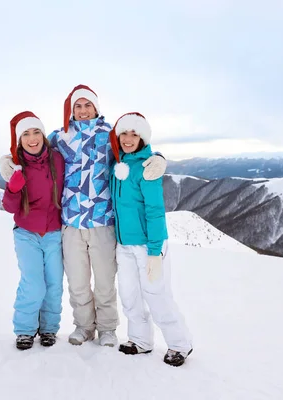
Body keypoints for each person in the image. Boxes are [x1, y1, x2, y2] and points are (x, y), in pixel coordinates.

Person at [0, 85, 167, 347]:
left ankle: (108, 329)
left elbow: (134, 149)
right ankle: (84, 326)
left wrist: (159, 158)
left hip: (102, 221)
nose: (83, 110)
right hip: (70, 222)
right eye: (78, 106)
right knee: (77, 283)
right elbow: (32, 149)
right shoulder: (60, 136)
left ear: (97, 108)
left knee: (103, 282)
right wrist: (6, 161)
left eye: (88, 105)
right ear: (71, 110)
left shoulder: (110, 134)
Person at [108, 112, 193, 366]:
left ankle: (180, 344)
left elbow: (155, 211)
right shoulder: (118, 165)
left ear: (143, 138)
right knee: (129, 294)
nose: (128, 139)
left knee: (156, 293)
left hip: (148, 244)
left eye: (135, 134)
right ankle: (141, 341)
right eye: (124, 133)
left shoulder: (148, 168)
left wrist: (155, 251)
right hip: (124, 244)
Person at [1, 111, 65, 350]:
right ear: (20, 140)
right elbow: (9, 208)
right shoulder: (16, 166)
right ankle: (25, 330)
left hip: (54, 233)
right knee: (33, 283)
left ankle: (49, 328)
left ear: (43, 134)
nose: (32, 138)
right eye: (26, 134)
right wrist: (13, 189)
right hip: (27, 233)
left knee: (54, 284)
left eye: (36, 131)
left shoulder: (57, 159)